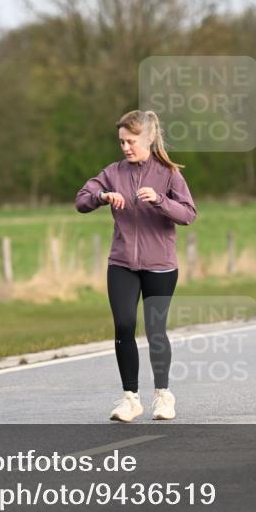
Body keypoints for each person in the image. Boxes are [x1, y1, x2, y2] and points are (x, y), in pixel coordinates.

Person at [75, 110, 196, 422]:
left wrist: (159, 200)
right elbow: (81, 199)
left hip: (160, 264)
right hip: (122, 262)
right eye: (122, 142)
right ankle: (130, 398)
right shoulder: (113, 172)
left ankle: (163, 396)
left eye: (131, 141)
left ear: (149, 138)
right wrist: (102, 196)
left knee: (155, 330)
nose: (126, 147)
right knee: (125, 325)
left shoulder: (169, 174)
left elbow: (188, 214)